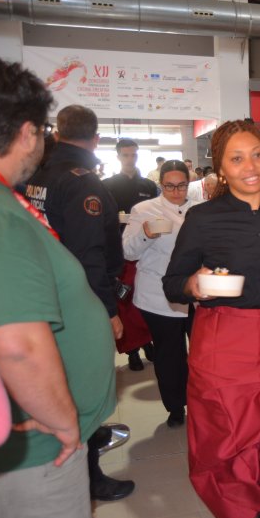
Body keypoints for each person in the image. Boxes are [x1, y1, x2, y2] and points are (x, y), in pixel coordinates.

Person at [0, 56, 117, 518]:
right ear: (27, 132)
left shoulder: (6, 197)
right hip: (39, 450)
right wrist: (64, 423)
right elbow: (15, 343)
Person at [163, 120, 260, 518]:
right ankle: (248, 509)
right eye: (237, 158)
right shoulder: (203, 218)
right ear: (221, 168)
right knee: (228, 438)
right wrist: (195, 284)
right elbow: (173, 283)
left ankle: (257, 497)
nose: (250, 166)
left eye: (257, 155)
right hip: (225, 337)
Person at [24, 104, 135, 502]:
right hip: (79, 301)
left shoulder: (36, 173)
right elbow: (90, 256)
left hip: (42, 294)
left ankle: (87, 440)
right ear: (96, 139)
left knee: (62, 377)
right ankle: (89, 476)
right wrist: (107, 312)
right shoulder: (83, 183)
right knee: (85, 388)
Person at [123, 160, 196, 428]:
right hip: (157, 293)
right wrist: (146, 234)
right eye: (170, 186)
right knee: (169, 353)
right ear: (160, 184)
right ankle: (175, 407)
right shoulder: (143, 210)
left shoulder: (199, 208)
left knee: (200, 351)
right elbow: (128, 252)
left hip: (195, 292)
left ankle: (200, 401)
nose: (176, 192)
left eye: (181, 186)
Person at [103, 138, 158, 370]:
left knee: (147, 298)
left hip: (148, 250)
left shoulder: (148, 185)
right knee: (125, 302)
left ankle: (148, 343)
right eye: (125, 155)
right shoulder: (107, 185)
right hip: (120, 252)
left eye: (133, 155)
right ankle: (131, 350)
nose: (130, 159)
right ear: (118, 157)